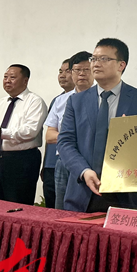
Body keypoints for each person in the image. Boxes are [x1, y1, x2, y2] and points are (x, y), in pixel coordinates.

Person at [58, 38, 137, 213]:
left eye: (104, 59)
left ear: (121, 65)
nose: (96, 64)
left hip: (125, 194)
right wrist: (84, 171)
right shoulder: (76, 101)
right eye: (94, 59)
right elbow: (65, 142)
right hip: (82, 191)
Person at [0, 64, 47, 205]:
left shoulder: (35, 101)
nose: (7, 80)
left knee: (17, 205)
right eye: (5, 77)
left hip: (22, 160)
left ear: (25, 81)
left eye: (12, 77)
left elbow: (30, 131)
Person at [50, 51, 93, 210]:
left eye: (86, 70)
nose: (81, 74)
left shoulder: (101, 100)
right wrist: (70, 139)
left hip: (90, 161)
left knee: (87, 209)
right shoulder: (60, 100)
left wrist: (68, 138)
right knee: (61, 209)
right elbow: (49, 135)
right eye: (77, 70)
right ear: (72, 73)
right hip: (64, 161)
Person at [41, 59, 74, 208]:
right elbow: (48, 136)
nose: (62, 75)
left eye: (68, 71)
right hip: (51, 164)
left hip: (71, 162)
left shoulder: (87, 99)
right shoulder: (57, 100)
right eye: (60, 71)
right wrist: (44, 165)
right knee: (52, 207)